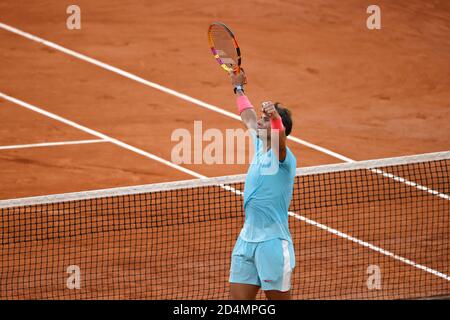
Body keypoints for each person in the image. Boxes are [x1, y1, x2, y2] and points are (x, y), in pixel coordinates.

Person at [228, 70, 297, 300]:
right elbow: (247, 117)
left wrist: (275, 117)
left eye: (265, 120)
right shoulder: (260, 144)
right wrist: (238, 89)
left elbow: (280, 138)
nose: (259, 121)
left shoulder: (284, 158)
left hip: (272, 244)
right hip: (246, 241)